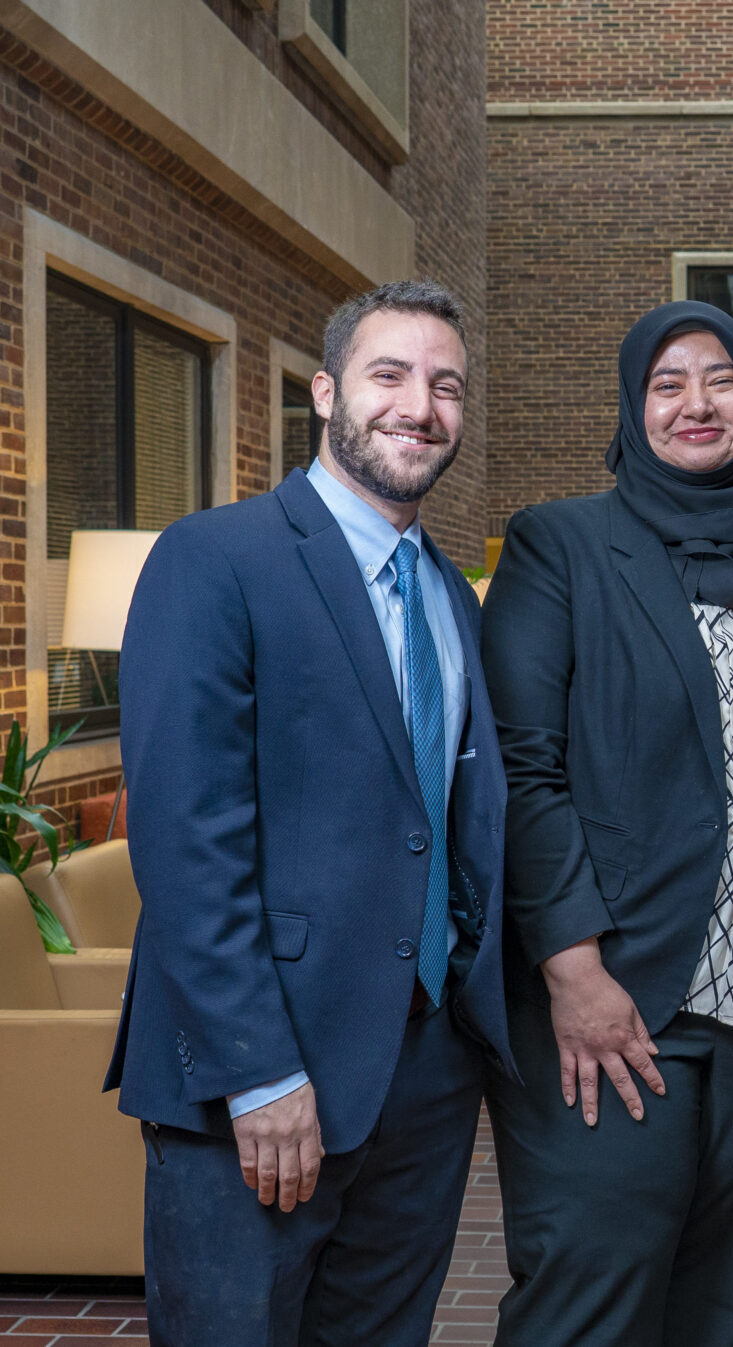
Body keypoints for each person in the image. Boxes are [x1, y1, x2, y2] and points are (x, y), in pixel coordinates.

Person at [106, 279, 514, 1346]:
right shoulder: (217, 560)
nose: (419, 406)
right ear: (328, 391)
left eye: (446, 386)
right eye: (390, 376)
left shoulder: (446, 595)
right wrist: (259, 1072)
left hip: (421, 1074)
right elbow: (186, 841)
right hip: (265, 1074)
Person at [480, 300, 733, 1347]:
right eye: (667, 383)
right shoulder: (560, 544)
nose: (698, 403)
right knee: (589, 1301)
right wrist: (573, 971)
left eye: (721, 378)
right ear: (630, 405)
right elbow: (521, 769)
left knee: (719, 1306)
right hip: (614, 1009)